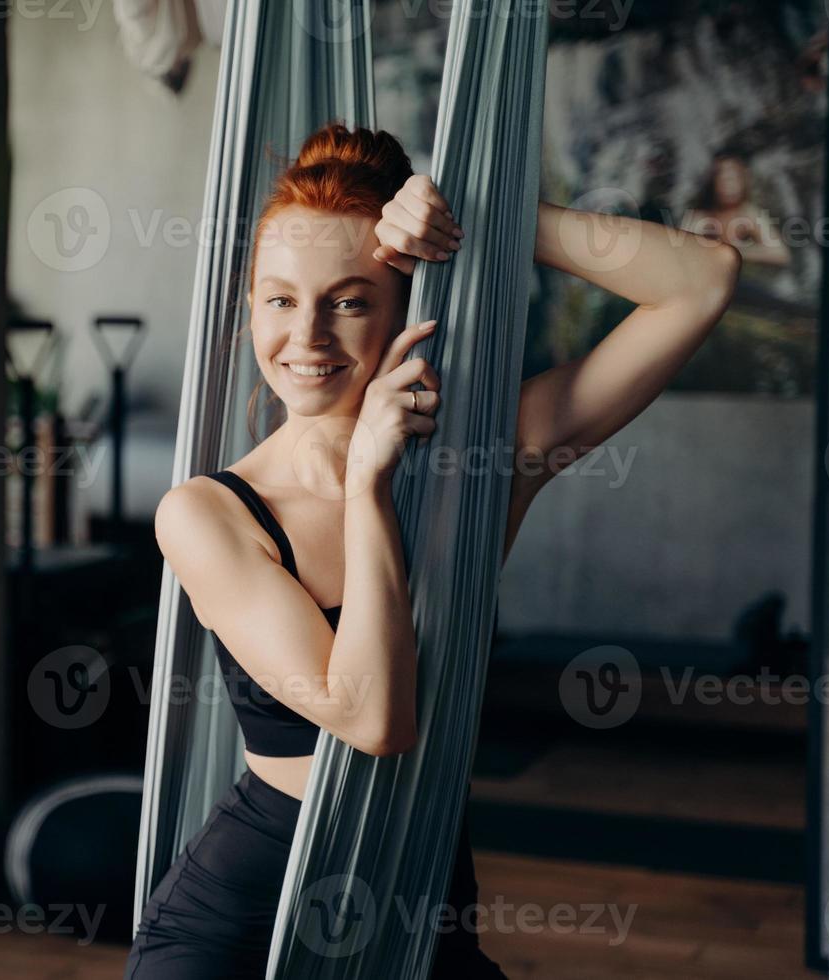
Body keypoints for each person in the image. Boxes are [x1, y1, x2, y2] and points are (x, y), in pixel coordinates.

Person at [124, 123, 741, 978]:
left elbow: (703, 280)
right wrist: (370, 488)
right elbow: (373, 718)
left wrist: (486, 222)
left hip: (421, 894)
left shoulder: (485, 464)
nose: (306, 336)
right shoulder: (208, 514)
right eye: (279, 298)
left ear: (403, 309)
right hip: (246, 919)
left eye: (347, 299)